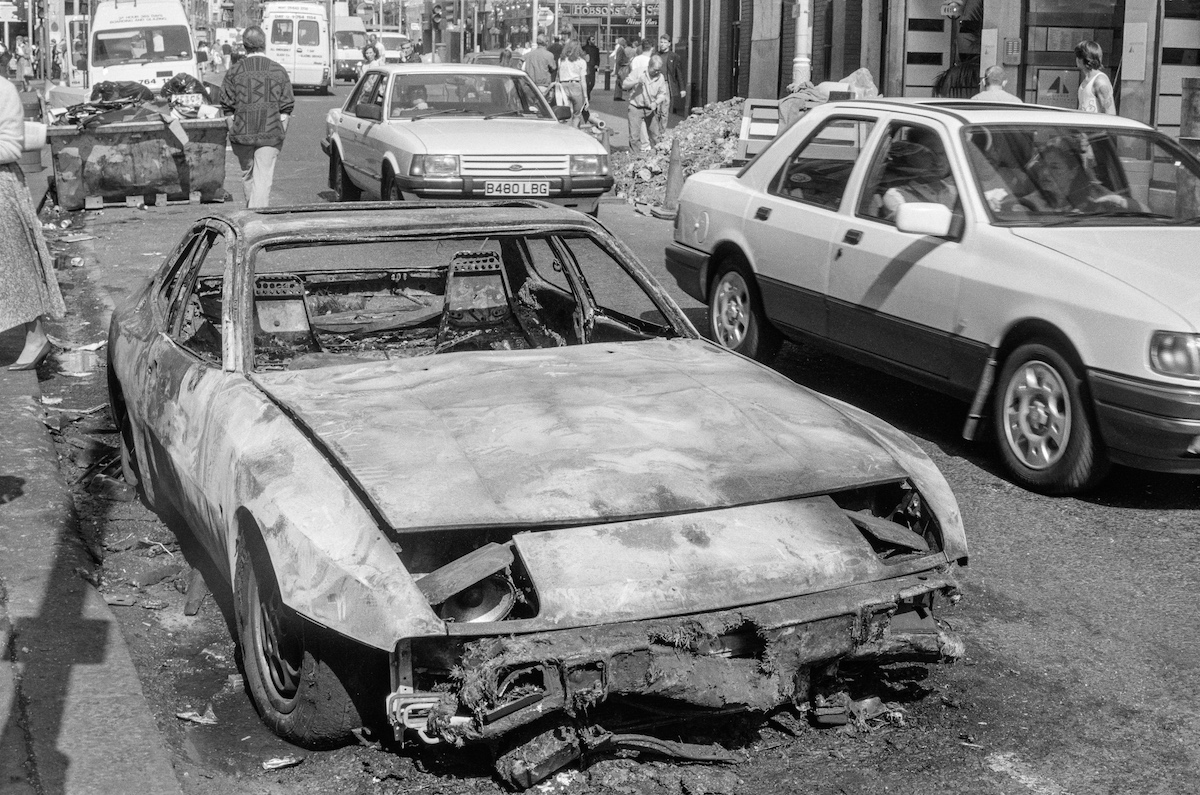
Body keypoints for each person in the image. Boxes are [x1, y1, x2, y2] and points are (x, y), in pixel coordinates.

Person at [0, 74, 66, 370]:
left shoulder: (3, 90)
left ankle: (37, 338)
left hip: (2, 188)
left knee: (16, 265)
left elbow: (11, 148)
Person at [220, 26, 294, 209]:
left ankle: (251, 214)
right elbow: (286, 107)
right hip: (270, 133)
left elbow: (227, 106)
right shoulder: (278, 71)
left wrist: (232, 128)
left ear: (244, 46)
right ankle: (257, 219)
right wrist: (281, 129)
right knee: (262, 179)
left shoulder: (234, 71)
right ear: (264, 44)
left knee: (248, 176)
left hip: (242, 134)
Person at [624, 53, 669, 151]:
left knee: (655, 135)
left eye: (658, 70)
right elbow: (624, 85)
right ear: (649, 66)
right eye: (655, 70)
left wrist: (656, 102)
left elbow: (662, 94)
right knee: (634, 137)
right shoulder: (638, 72)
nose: (657, 72)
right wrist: (636, 81)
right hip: (635, 108)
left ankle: (656, 157)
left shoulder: (660, 77)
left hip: (650, 108)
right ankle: (635, 158)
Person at [1075, 40, 1115, 115]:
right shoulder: (1087, 79)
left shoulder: (1100, 81)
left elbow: (1110, 112)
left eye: (1078, 56)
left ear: (1085, 59)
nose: (1076, 59)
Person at [557, 39, 587, 127]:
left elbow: (558, 75)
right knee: (577, 114)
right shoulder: (581, 62)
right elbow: (583, 80)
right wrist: (585, 96)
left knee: (564, 114)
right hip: (576, 86)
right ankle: (574, 131)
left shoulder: (561, 60)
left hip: (563, 86)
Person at [656, 34, 687, 117]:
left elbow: (679, 73)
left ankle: (662, 130)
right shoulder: (656, 56)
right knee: (656, 109)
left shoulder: (674, 57)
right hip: (656, 83)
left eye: (665, 42)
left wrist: (682, 89)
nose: (662, 44)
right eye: (661, 42)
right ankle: (655, 129)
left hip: (666, 84)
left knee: (664, 109)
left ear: (669, 44)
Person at [522, 34, 557, 100]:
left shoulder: (529, 54)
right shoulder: (548, 55)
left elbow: (520, 62)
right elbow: (553, 68)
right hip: (543, 86)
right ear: (546, 43)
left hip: (530, 86)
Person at [582, 35, 600, 101]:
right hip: (586, 67)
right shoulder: (584, 48)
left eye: (594, 39)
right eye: (592, 39)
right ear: (589, 40)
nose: (594, 41)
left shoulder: (596, 49)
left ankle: (588, 92)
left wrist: (597, 65)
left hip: (592, 67)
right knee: (586, 81)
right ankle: (587, 95)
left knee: (592, 82)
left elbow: (598, 58)